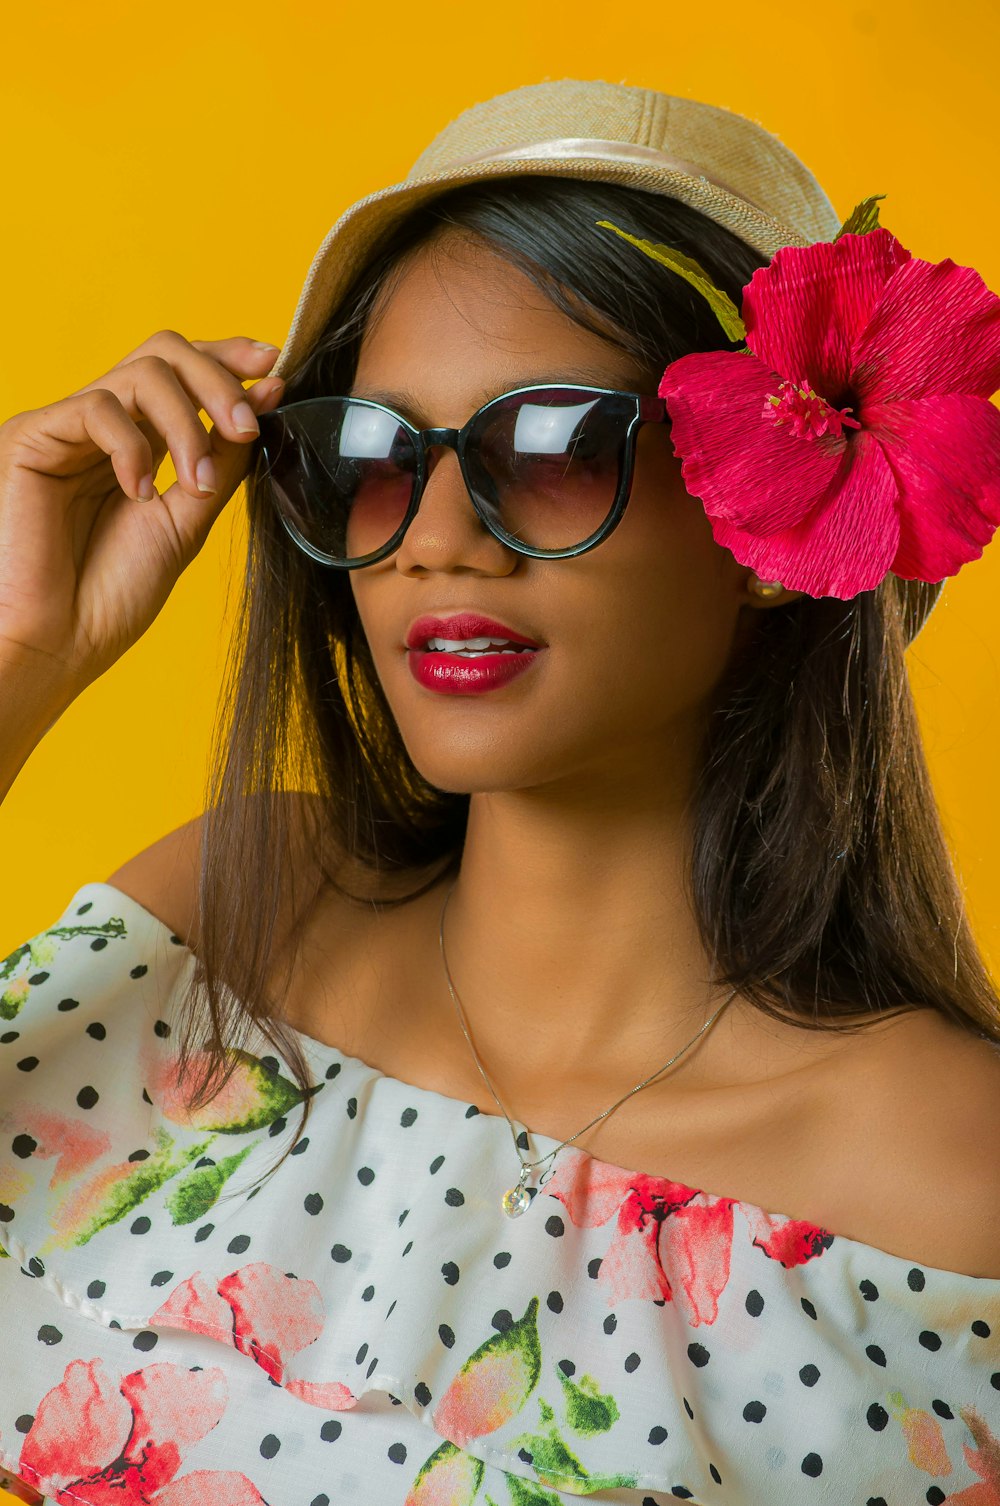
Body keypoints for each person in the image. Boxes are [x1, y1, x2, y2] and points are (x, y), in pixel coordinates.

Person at [1, 77, 999, 1506]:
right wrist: (19, 655)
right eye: (369, 456)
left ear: (773, 534)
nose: (435, 537)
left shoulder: (950, 1170)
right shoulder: (226, 922)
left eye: (552, 447)